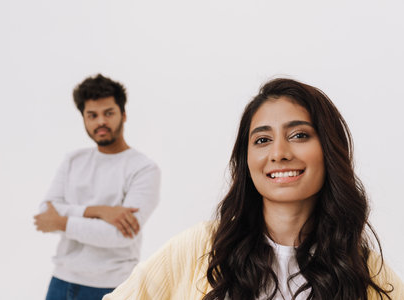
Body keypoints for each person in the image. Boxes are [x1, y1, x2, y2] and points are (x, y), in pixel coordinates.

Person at [103, 78, 403, 300]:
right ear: (246, 161)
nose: (279, 153)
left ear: (329, 149)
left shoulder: (365, 268)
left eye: (299, 135)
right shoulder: (201, 248)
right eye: (262, 140)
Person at [33, 74, 161, 300]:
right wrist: (99, 211)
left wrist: (61, 221)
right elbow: (44, 215)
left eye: (108, 113)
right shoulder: (73, 160)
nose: (100, 121)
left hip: (113, 286)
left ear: (123, 114)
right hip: (61, 282)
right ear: (84, 118)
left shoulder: (144, 168)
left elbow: (120, 235)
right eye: (92, 115)